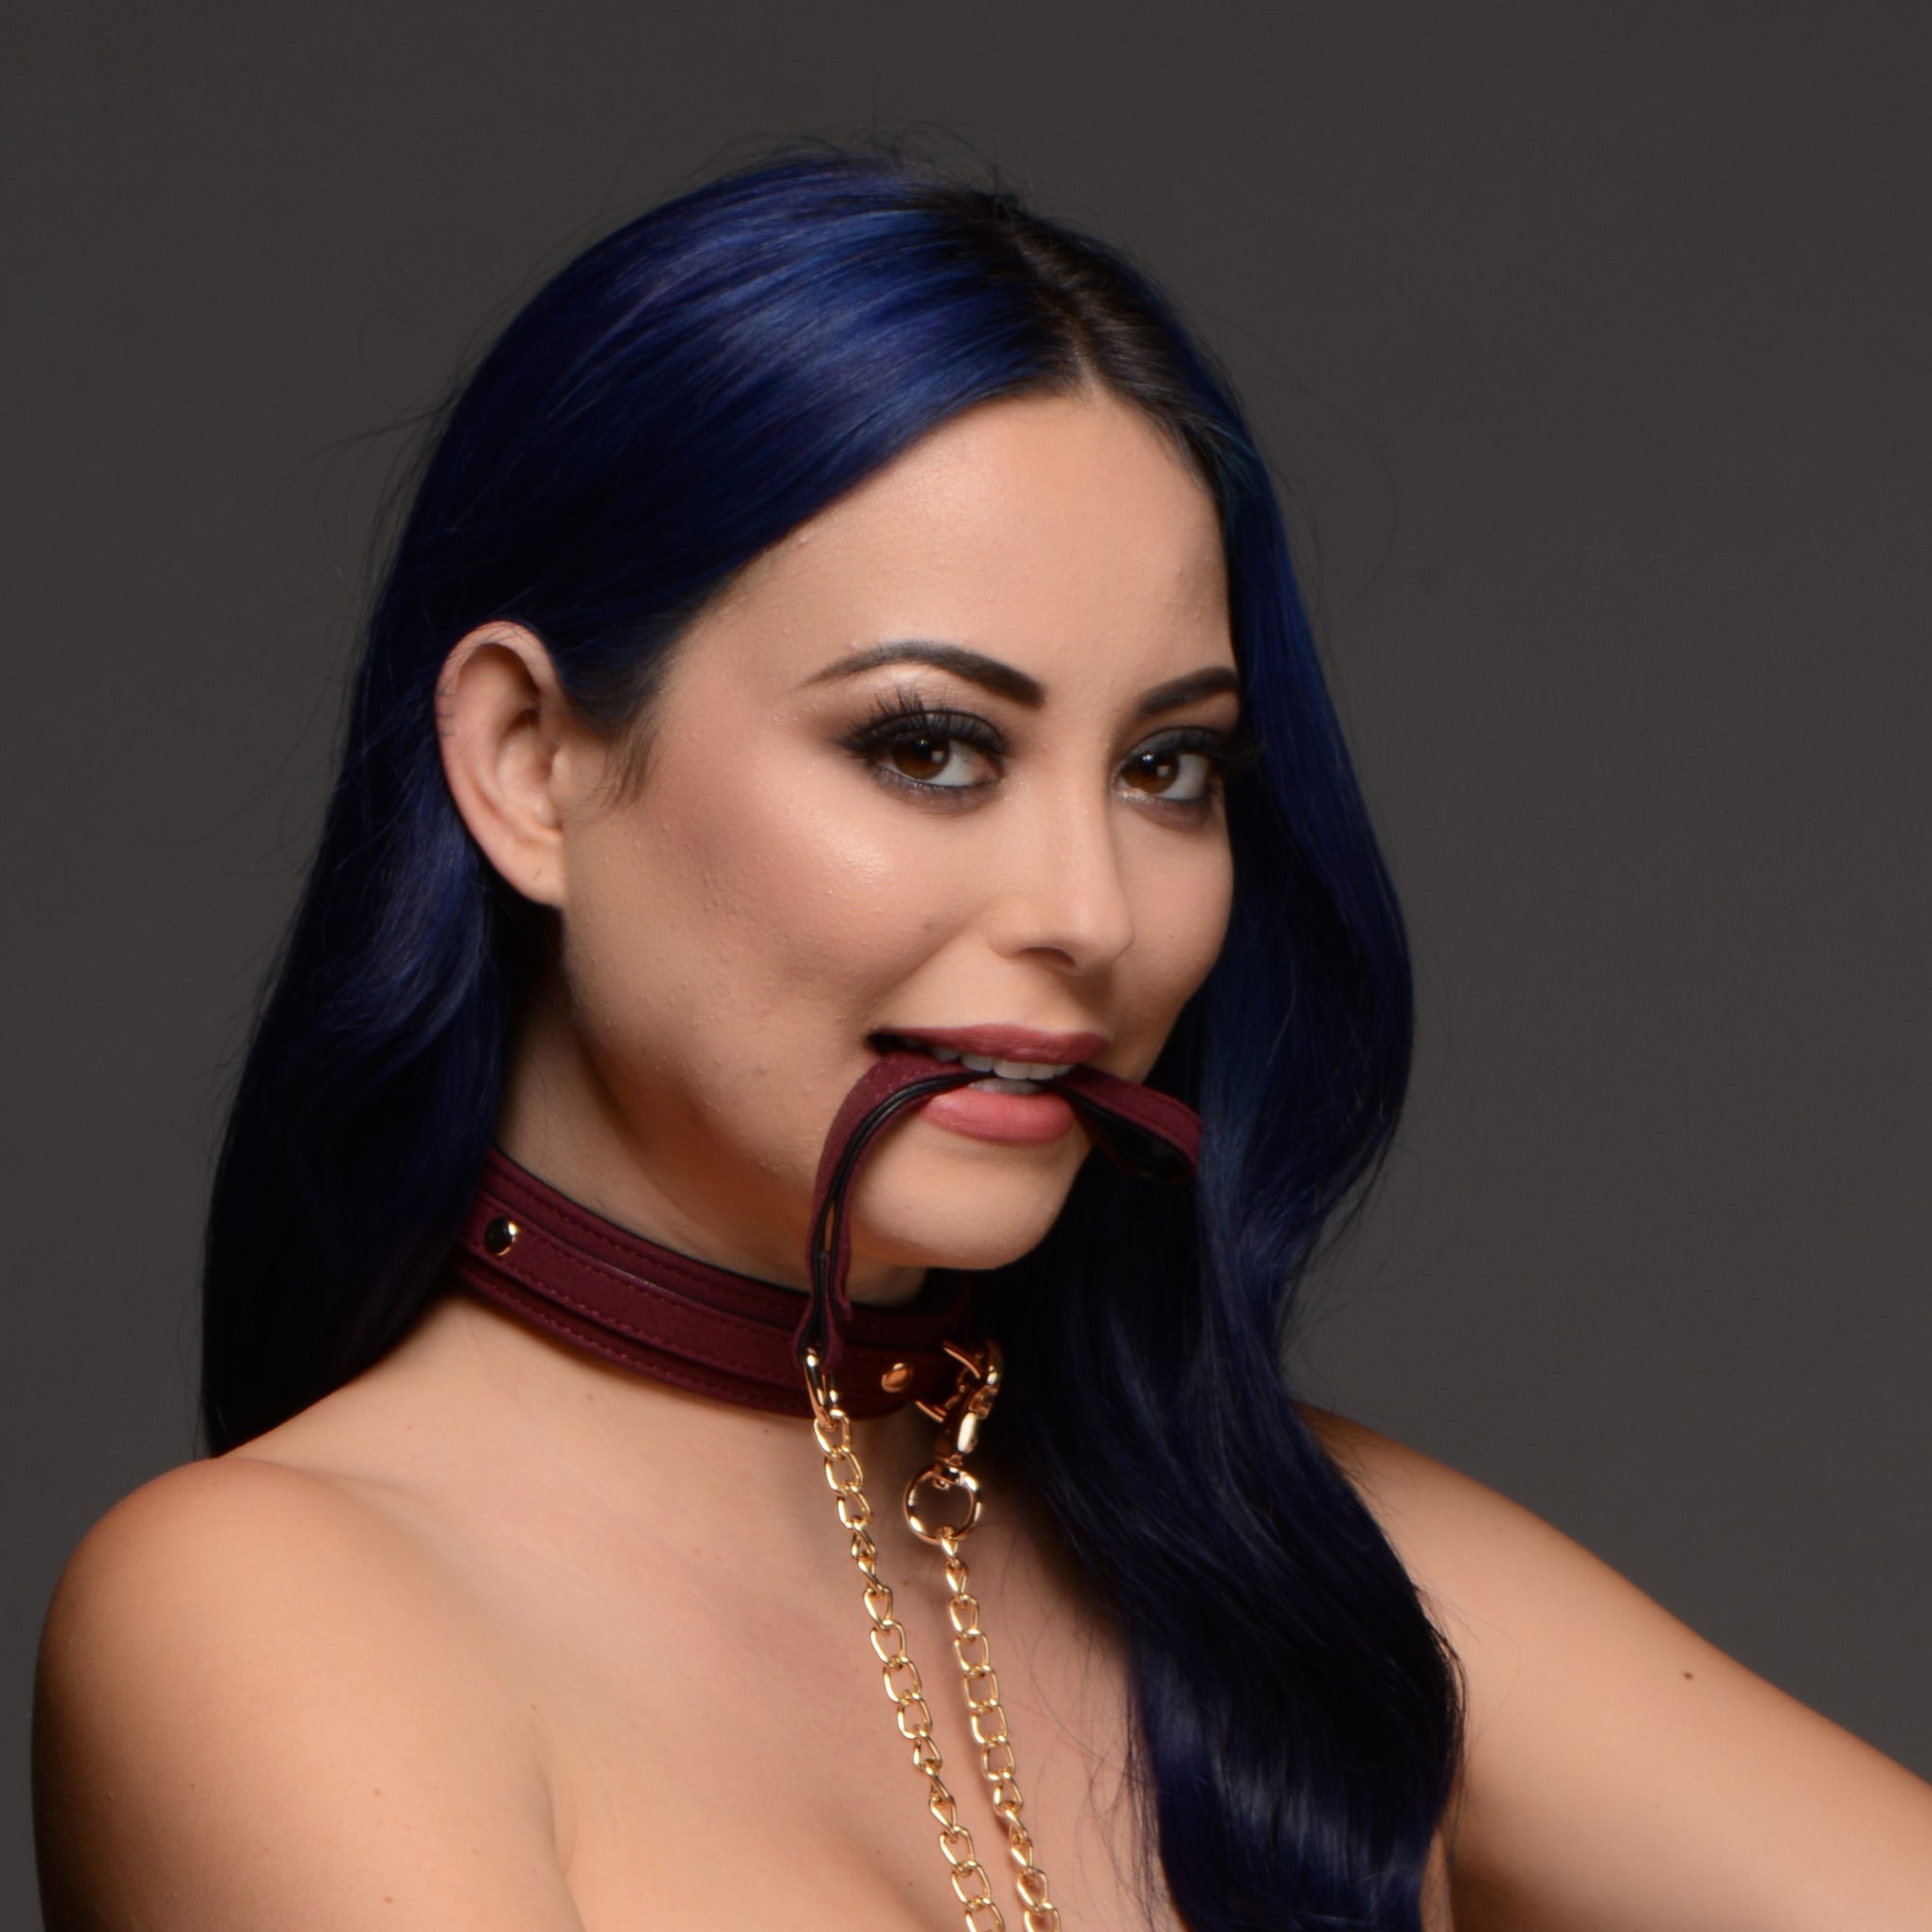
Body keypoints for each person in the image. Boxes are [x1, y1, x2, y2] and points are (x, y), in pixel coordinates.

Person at [30, 149, 1932, 1932]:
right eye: (929, 746)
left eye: (1168, 767)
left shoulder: (1314, 1564)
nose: (1092, 912)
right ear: (531, 764)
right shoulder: (270, 1610)